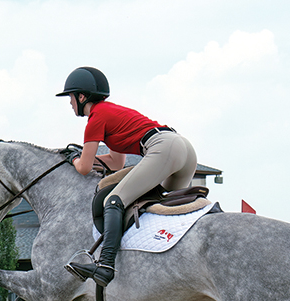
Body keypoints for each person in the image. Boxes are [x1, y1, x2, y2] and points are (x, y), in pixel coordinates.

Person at [56, 66, 198, 287]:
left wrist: (74, 158)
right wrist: (84, 158)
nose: (70, 103)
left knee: (114, 200)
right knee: (168, 211)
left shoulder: (96, 117)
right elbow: (116, 162)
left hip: (163, 147)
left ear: (82, 97)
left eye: (71, 97)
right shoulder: (110, 111)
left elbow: (83, 168)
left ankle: (105, 266)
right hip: (182, 148)